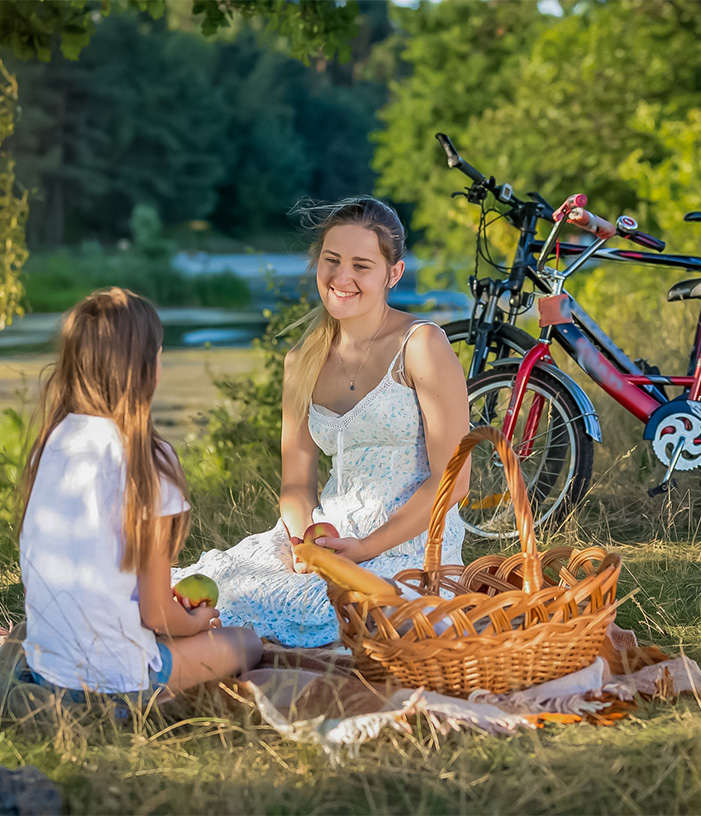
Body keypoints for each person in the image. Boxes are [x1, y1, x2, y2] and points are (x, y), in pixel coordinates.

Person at [173, 197, 470, 647]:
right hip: (326, 535)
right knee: (224, 586)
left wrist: (366, 549)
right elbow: (296, 485)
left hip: (410, 538)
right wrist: (302, 542)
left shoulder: (421, 344)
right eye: (331, 261)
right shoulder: (301, 360)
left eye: (361, 265)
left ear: (394, 273)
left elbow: (454, 481)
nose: (341, 278)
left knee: (337, 611)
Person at [18, 288, 262, 702]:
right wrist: (198, 623)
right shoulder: (146, 457)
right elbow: (156, 615)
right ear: (145, 368)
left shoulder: (50, 443)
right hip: (116, 680)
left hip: (47, 668)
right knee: (247, 643)